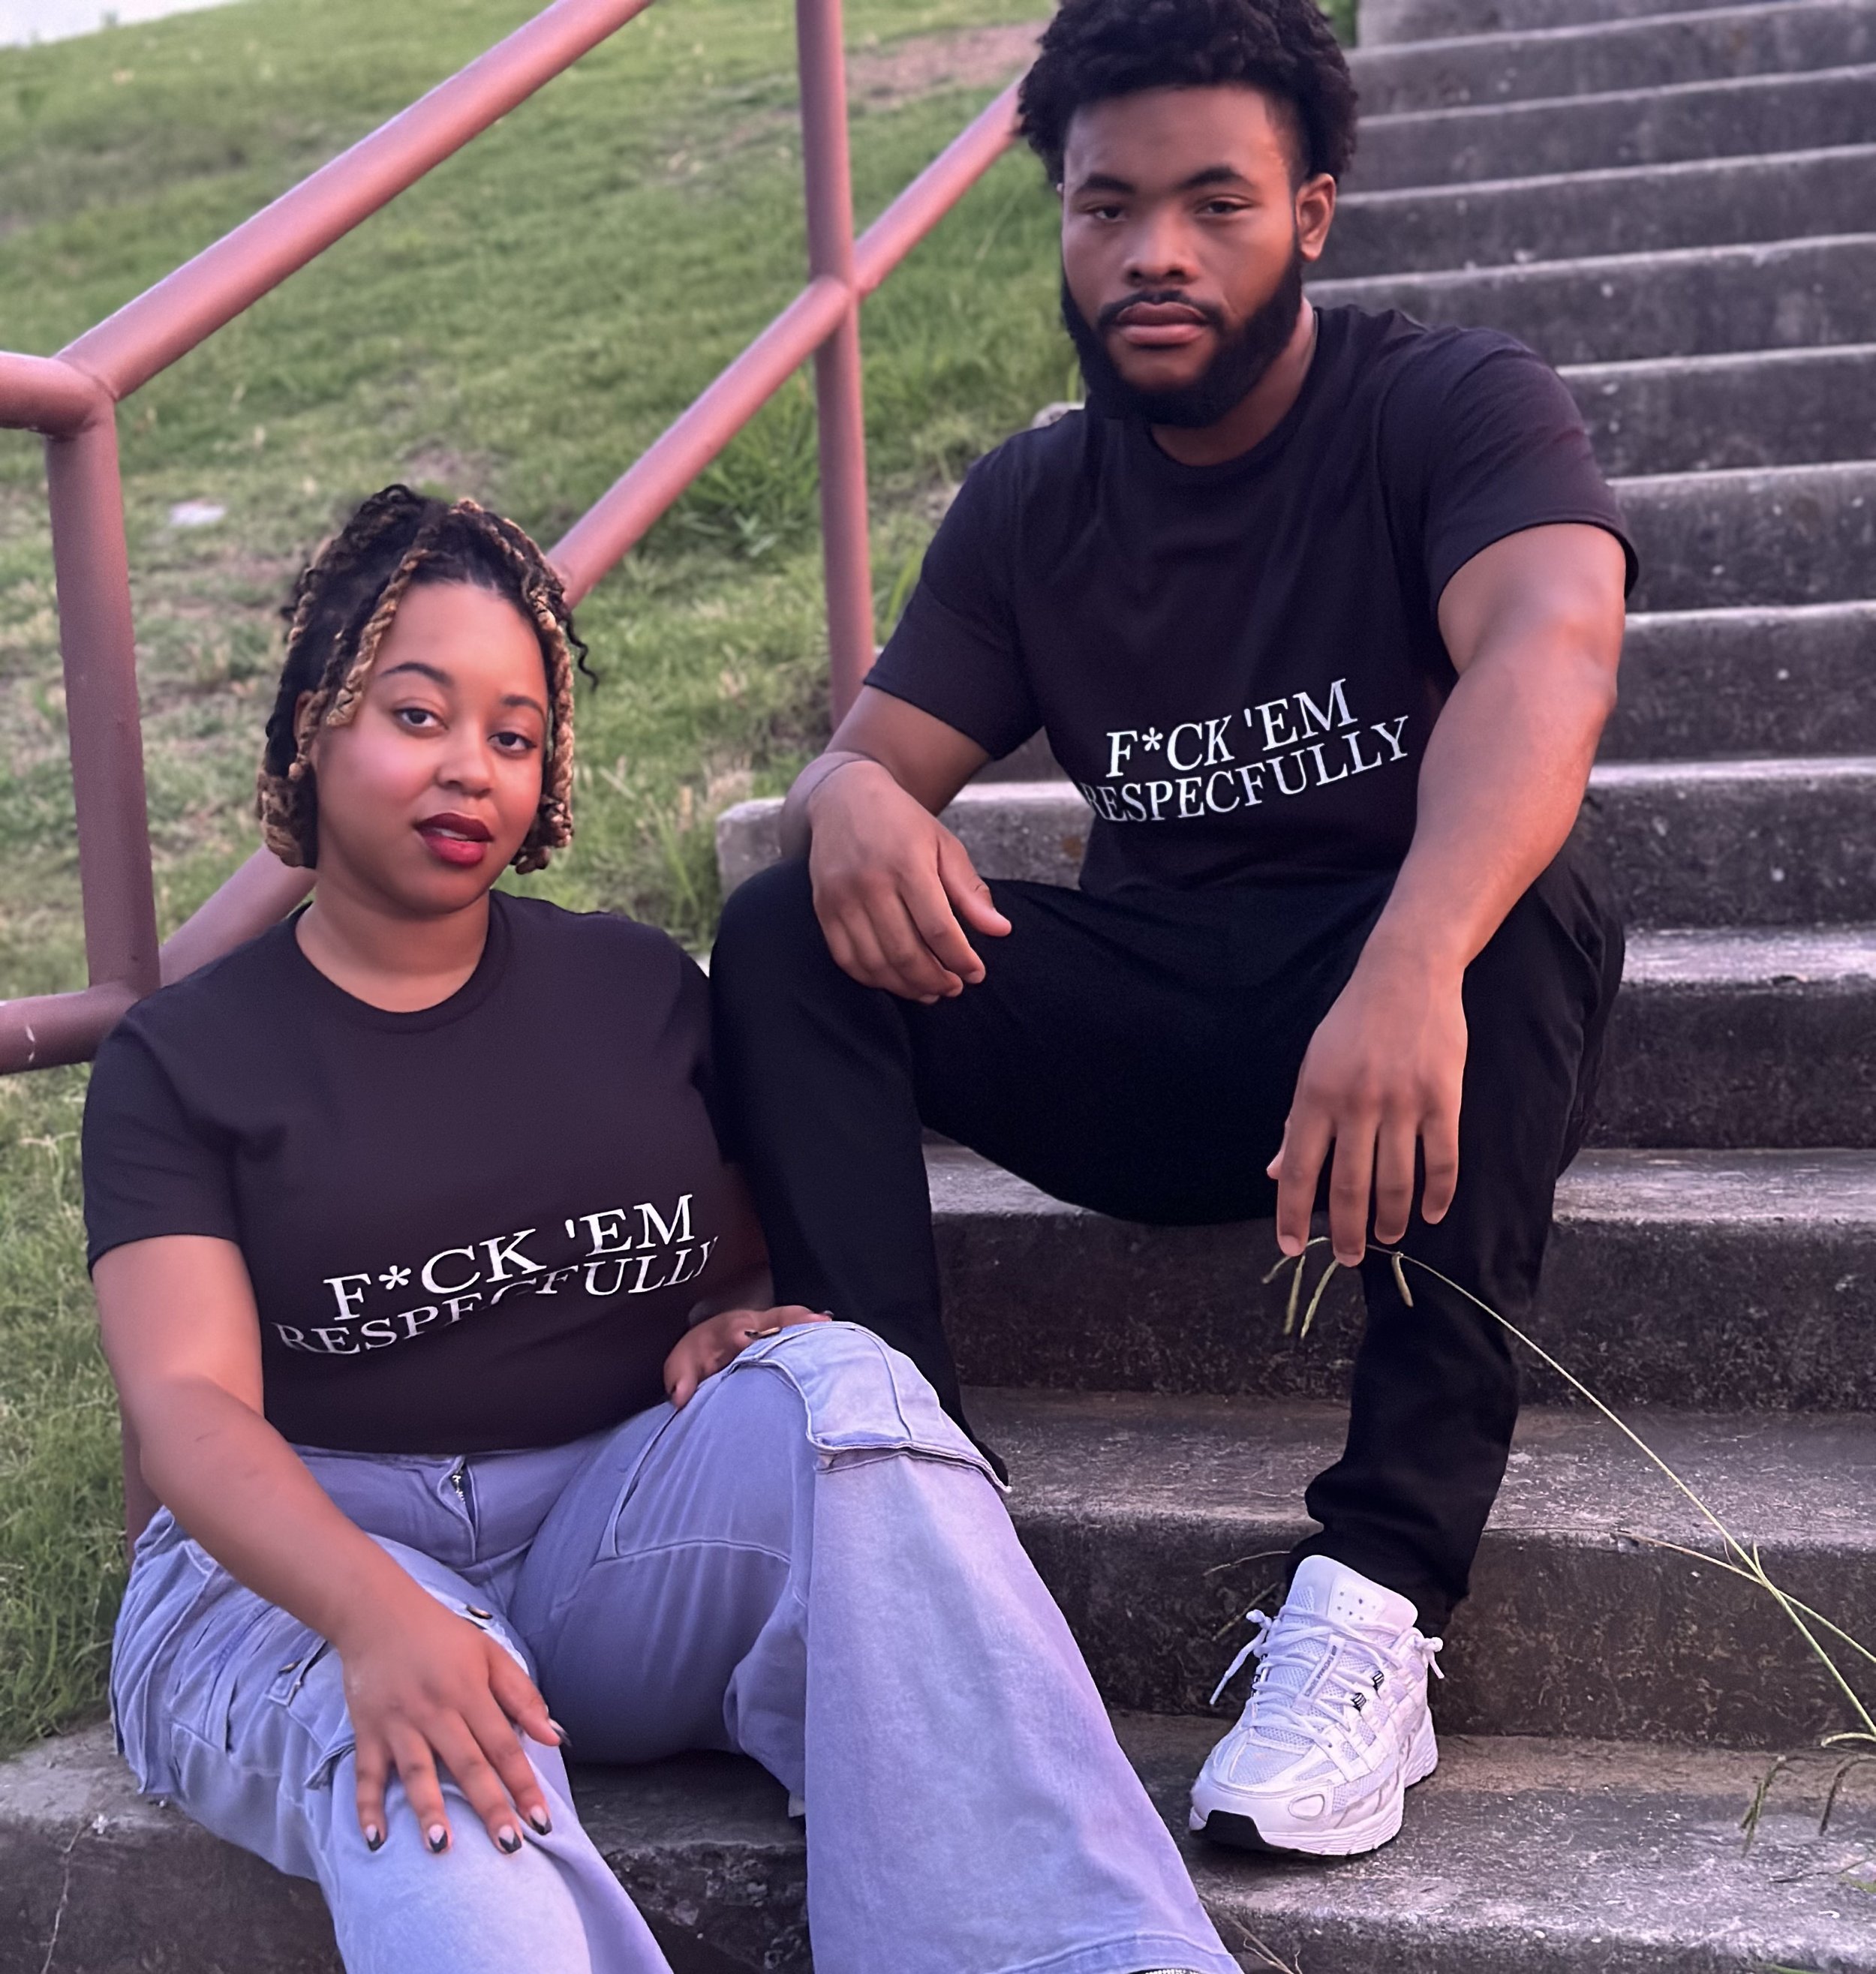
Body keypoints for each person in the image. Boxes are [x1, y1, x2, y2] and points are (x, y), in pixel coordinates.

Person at [83, 486, 1238, 1974]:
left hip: (605, 1538)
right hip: (297, 1559)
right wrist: (375, 1617)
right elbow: (186, 1406)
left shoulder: (631, 990)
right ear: (313, 724)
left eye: (514, 735)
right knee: (435, 1757)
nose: (471, 766)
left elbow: (727, 1231)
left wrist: (733, 1306)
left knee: (852, 1392)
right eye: (418, 715)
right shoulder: (186, 1057)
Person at [710, 0, 1631, 1862]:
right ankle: (912, 1535)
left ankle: (1375, 1591)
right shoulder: (1033, 500)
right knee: (788, 924)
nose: (1152, 251)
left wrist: (1406, 961)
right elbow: (865, 763)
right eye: (1104, 205)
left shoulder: (1449, 403)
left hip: (1400, 1021)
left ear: (1310, 213)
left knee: (1527, 899)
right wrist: (848, 791)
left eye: (1213, 203)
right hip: (1154, 1035)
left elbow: (1548, 654)